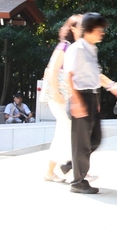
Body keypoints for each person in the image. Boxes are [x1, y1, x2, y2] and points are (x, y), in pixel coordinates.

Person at [63, 13, 117, 194]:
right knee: (82, 143)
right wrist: (76, 100)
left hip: (90, 96)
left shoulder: (91, 49)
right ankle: (77, 181)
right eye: (100, 29)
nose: (102, 33)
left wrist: (99, 96)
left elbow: (93, 76)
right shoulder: (77, 49)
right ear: (89, 29)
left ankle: (72, 164)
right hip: (79, 97)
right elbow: (68, 75)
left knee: (95, 139)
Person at [43, 15, 81, 182]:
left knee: (63, 132)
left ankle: (52, 171)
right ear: (72, 28)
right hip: (58, 97)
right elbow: (52, 70)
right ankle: (72, 168)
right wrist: (57, 93)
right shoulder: (64, 46)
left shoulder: (76, 47)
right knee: (67, 131)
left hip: (66, 97)